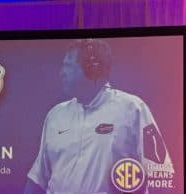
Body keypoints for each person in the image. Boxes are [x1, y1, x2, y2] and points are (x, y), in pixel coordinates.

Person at [24, 39, 174, 194]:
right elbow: (38, 178)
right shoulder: (55, 115)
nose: (62, 72)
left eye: (68, 66)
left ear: (92, 69)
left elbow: (160, 173)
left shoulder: (132, 109)